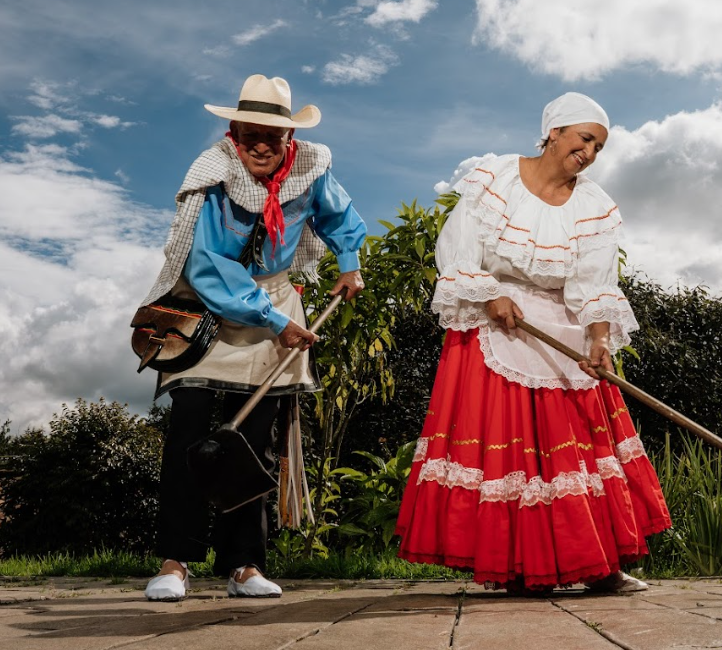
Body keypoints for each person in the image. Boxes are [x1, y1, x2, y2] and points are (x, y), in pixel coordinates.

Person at [395, 92, 672, 594]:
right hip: (497, 325)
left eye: (599, 147)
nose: (589, 152)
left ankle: (600, 566)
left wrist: (599, 338)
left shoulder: (593, 207)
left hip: (562, 328)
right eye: (584, 139)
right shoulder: (495, 179)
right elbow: (458, 250)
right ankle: (522, 568)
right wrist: (490, 294)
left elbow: (596, 283)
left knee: (576, 448)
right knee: (512, 454)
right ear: (554, 132)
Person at [141, 74, 366, 601]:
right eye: (251, 135)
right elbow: (207, 264)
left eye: (273, 136)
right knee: (189, 430)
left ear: (290, 137)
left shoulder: (311, 167)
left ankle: (244, 564)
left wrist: (349, 261)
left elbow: (339, 216)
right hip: (207, 308)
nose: (261, 146)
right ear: (234, 134)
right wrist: (273, 320)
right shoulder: (211, 173)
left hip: (276, 301)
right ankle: (174, 561)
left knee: (255, 439)